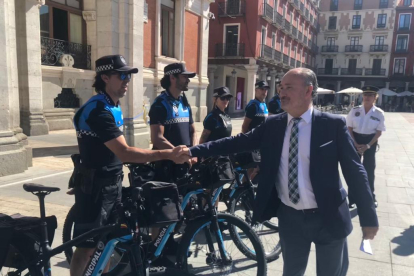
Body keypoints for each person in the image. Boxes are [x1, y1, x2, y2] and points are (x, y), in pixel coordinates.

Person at [187, 68, 379, 276]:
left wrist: (368, 218)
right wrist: (192, 151)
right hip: (291, 218)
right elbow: (237, 142)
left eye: (289, 88)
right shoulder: (273, 124)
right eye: (281, 88)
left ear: (308, 91)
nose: (282, 93)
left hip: (329, 216)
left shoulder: (332, 125)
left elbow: (355, 171)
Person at [70, 55, 189, 276]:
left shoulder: (112, 106)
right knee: (87, 248)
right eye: (122, 75)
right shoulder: (98, 109)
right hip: (94, 188)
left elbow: (117, 150)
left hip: (111, 184)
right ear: (105, 77)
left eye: (129, 76)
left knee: (107, 243)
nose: (127, 80)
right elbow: (124, 151)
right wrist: (168, 154)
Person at [149, 62, 198, 182]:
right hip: (167, 166)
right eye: (184, 76)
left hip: (186, 163)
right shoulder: (160, 104)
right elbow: (157, 138)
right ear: (172, 78)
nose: (188, 80)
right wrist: (180, 155)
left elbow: (193, 131)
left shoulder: (185, 102)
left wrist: (194, 151)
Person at [346, 86, 385, 209]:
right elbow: (349, 128)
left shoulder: (379, 113)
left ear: (375, 98)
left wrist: (368, 145)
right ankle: (352, 198)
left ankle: (370, 198)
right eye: (365, 95)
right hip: (355, 140)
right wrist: (355, 143)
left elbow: (379, 132)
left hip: (370, 142)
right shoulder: (355, 110)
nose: (367, 97)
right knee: (353, 171)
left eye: (370, 95)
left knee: (369, 171)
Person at [241, 80, 269, 180]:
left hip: (262, 142)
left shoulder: (264, 105)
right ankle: (244, 188)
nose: (264, 92)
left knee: (257, 168)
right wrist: (247, 142)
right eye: (262, 89)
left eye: (266, 89)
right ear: (256, 90)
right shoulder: (253, 105)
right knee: (251, 168)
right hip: (253, 142)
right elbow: (245, 126)